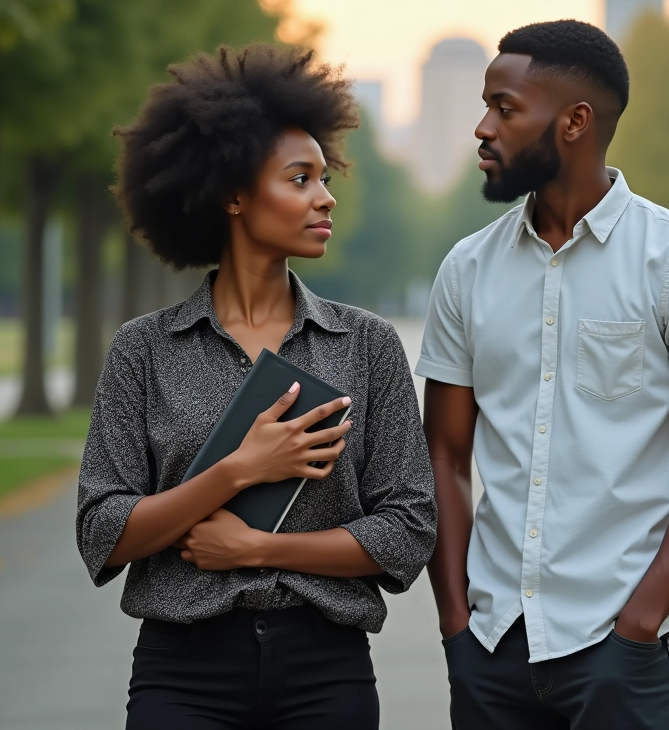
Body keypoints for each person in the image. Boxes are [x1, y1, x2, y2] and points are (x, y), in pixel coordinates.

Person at [76, 44, 437, 730]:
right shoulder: (144, 349)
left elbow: (407, 530)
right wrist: (241, 470)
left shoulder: (366, 345)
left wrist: (260, 550)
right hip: (181, 672)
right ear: (233, 195)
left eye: (325, 179)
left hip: (326, 668)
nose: (325, 197)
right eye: (299, 179)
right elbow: (102, 531)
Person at [417, 20, 669, 730]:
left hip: (622, 649)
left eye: (505, 108)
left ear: (575, 123)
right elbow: (444, 455)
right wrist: (455, 619)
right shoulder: (466, 270)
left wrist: (640, 622)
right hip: (491, 645)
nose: (483, 128)